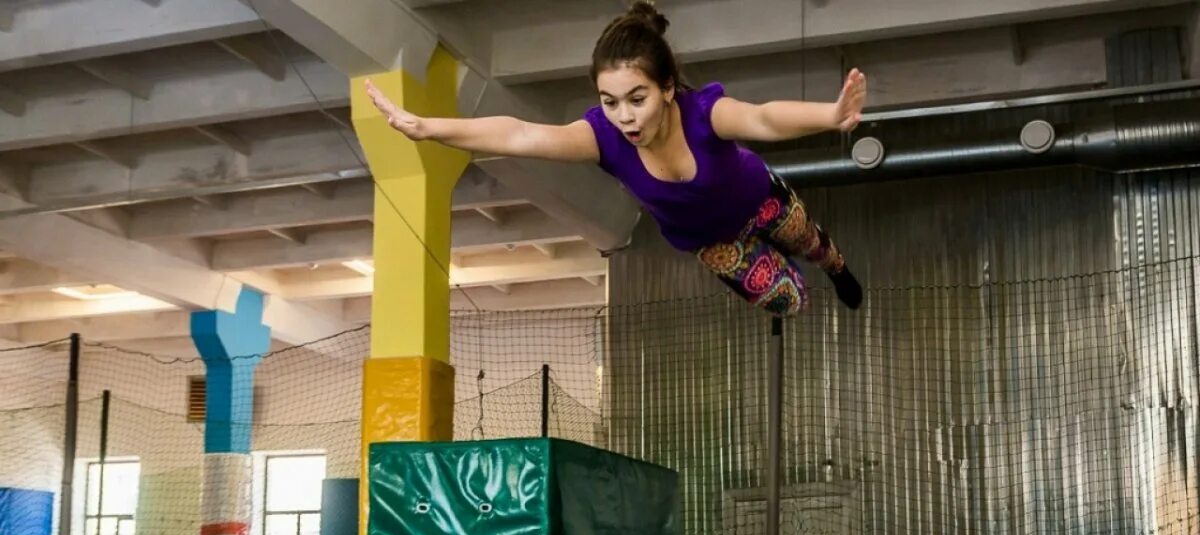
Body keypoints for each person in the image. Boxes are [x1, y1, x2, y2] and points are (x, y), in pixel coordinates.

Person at [365, 1, 866, 317]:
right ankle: (782, 276)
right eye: (610, 102)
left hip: (759, 201)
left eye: (637, 98)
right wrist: (429, 128)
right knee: (790, 300)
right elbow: (519, 133)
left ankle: (837, 266)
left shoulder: (704, 114)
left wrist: (831, 113)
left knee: (815, 246)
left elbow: (763, 119)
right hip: (712, 241)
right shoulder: (602, 138)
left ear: (667, 88)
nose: (624, 117)